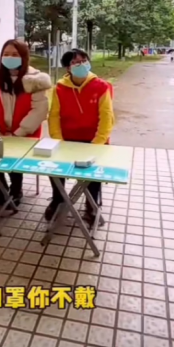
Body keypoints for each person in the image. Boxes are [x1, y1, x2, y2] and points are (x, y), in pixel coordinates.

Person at [46, 48, 114, 226]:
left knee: (93, 173)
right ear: (68, 68)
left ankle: (91, 205)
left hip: (94, 140)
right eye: (75, 62)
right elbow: (54, 116)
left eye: (84, 60)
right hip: (67, 139)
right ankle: (58, 200)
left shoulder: (101, 86)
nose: (81, 64)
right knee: (54, 167)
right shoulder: (59, 88)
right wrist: (58, 140)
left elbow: (107, 116)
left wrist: (97, 143)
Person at [0, 39, 51, 208]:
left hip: (25, 132)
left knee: (15, 160)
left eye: (14, 54)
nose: (9, 57)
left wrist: (19, 132)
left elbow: (39, 110)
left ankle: (16, 189)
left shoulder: (35, 80)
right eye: (6, 54)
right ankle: (1, 187)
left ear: (23, 57)